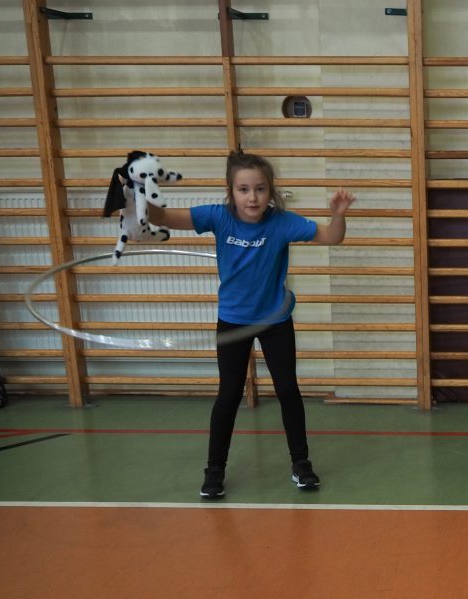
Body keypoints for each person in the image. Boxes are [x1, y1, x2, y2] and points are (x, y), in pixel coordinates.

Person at [147, 150, 356, 498]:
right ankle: (214, 470)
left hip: (275, 320)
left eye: (260, 189)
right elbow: (164, 216)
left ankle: (301, 464)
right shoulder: (218, 217)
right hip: (233, 320)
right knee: (229, 394)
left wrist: (338, 215)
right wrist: (139, 196)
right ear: (231, 192)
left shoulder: (282, 223)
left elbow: (333, 237)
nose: (252, 197)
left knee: (287, 390)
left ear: (270, 190)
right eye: (243, 189)